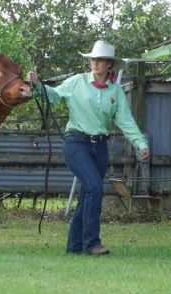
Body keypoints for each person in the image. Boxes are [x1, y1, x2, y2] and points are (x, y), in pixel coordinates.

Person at [27, 40, 150, 256]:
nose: (95, 62)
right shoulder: (77, 82)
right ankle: (92, 243)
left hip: (100, 147)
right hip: (76, 143)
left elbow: (126, 120)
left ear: (109, 64)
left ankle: (74, 248)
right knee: (95, 187)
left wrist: (140, 143)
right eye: (93, 58)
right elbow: (54, 96)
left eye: (100, 59)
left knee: (87, 194)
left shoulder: (115, 92)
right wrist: (37, 84)